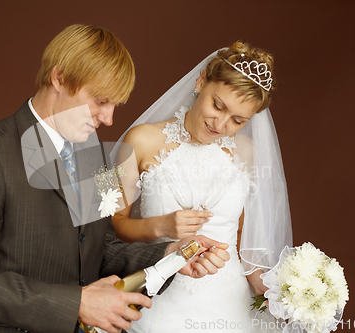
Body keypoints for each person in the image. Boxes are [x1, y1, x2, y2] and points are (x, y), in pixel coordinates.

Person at [0, 24, 230, 333]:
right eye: (101, 101)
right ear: (59, 78)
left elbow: (99, 248)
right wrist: (77, 303)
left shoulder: (95, 156)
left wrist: (171, 254)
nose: (108, 119)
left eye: (115, 105)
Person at [110, 41, 293, 332]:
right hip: (159, 300)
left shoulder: (249, 153)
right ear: (201, 81)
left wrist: (270, 287)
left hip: (232, 304)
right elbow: (111, 225)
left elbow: (244, 235)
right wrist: (160, 226)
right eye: (217, 106)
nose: (220, 124)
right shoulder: (139, 140)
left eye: (237, 120)